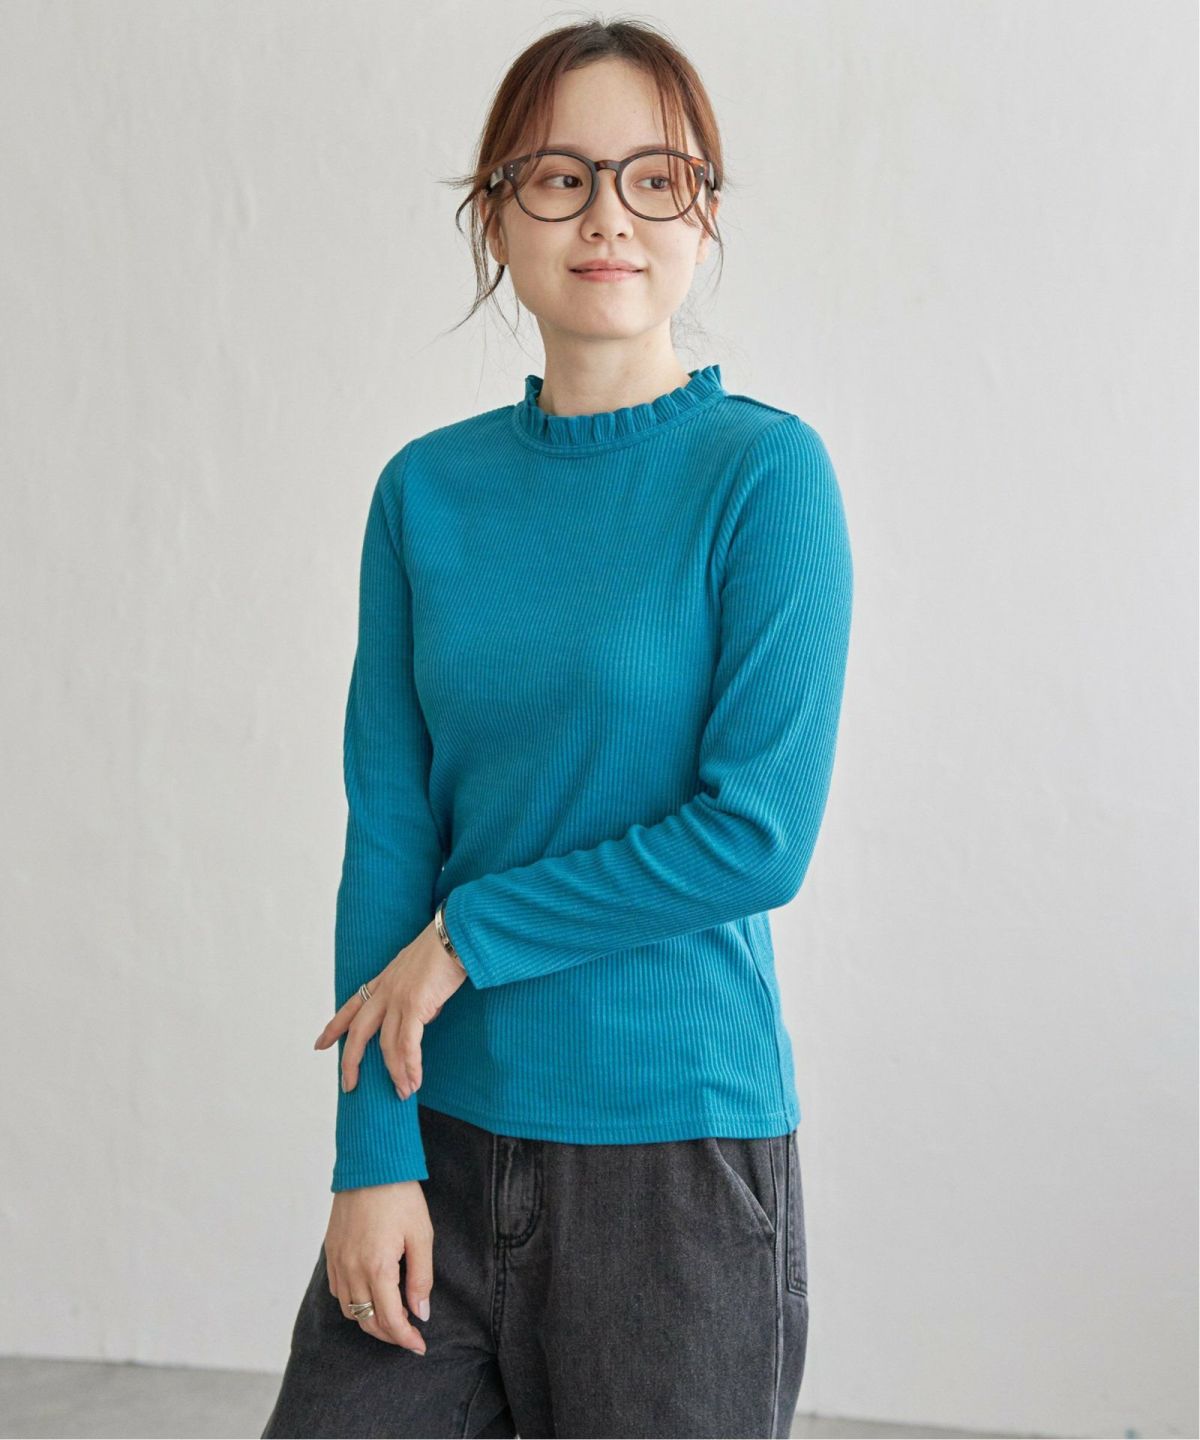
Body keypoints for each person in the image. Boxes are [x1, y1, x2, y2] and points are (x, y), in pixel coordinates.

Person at [261, 17, 852, 1439]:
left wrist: (471, 935)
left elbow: (756, 837)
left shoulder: (764, 476)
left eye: (655, 177)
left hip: (676, 1169)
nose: (607, 216)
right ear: (496, 212)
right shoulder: (425, 494)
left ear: (703, 216)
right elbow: (390, 831)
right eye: (559, 176)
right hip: (442, 1143)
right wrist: (370, 1154)